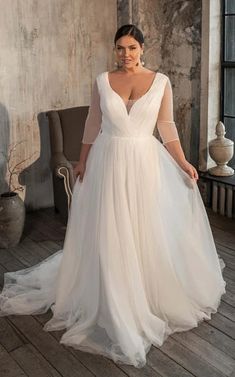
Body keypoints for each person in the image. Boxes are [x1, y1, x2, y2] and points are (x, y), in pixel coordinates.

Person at [0, 24, 226, 369]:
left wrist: (182, 163)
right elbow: (93, 123)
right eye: (120, 48)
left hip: (144, 162)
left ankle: (146, 289)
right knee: (110, 227)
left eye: (132, 47)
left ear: (143, 48)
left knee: (145, 225)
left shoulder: (161, 81)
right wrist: (83, 162)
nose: (126, 54)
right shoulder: (102, 80)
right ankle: (113, 291)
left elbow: (166, 127)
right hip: (108, 160)